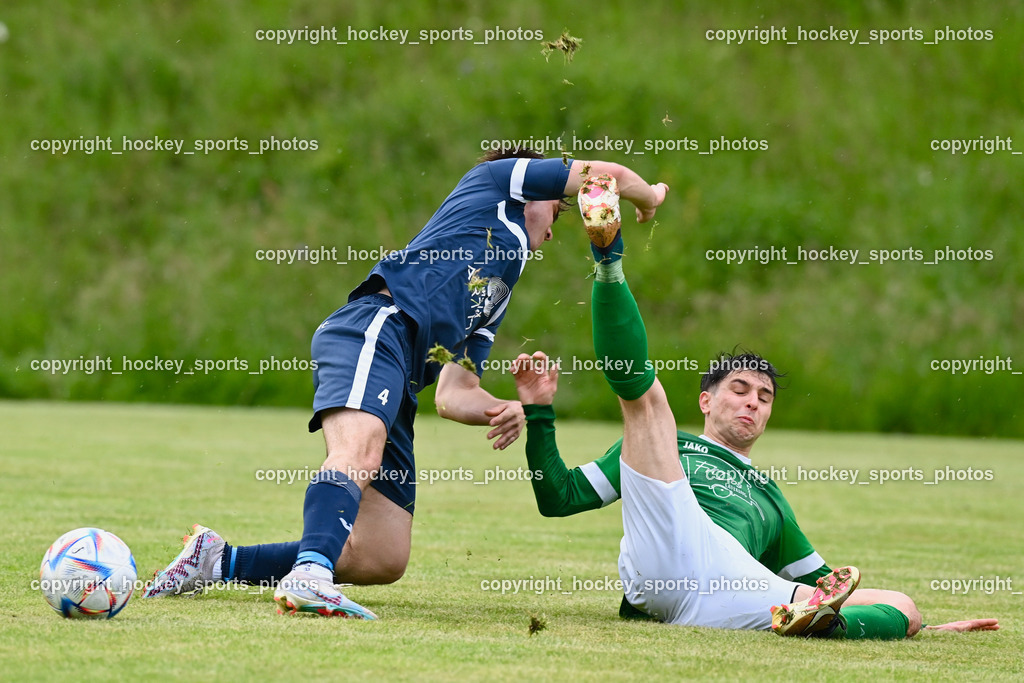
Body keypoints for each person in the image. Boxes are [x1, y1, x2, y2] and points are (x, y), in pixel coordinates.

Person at [143, 148, 670, 619]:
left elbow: (452, 392)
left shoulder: (500, 284)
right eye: (555, 210)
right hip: (376, 325)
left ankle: (217, 560)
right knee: (359, 450)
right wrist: (649, 198)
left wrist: (510, 407)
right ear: (536, 189)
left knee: (382, 554)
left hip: (400, 380)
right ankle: (309, 575)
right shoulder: (495, 182)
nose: (554, 229)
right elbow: (605, 179)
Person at [507, 175, 999, 637]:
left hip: (735, 589)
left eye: (764, 397)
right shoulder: (669, 448)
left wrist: (910, 626)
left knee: (903, 604)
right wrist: (539, 414)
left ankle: (821, 625)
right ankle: (607, 255)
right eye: (740, 389)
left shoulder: (770, 499)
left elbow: (833, 583)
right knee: (646, 402)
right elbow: (558, 498)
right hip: (671, 548)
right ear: (707, 399)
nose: (753, 403)